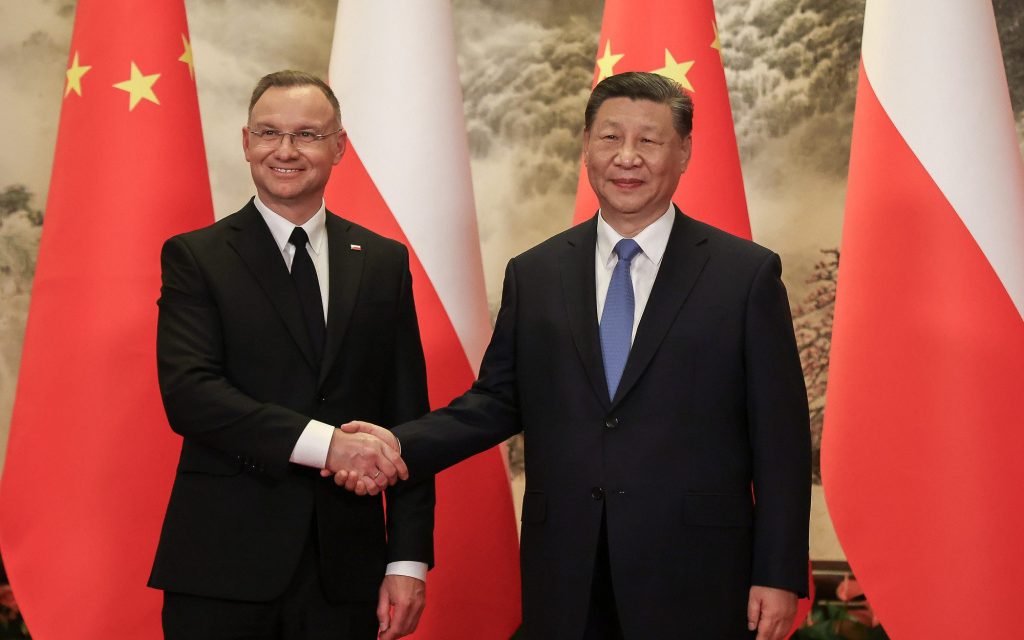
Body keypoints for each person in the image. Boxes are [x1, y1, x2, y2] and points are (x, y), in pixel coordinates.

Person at [335, 71, 811, 639]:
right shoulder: (535, 272)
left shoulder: (746, 275)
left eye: (649, 141)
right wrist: (396, 445)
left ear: (683, 152)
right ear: (586, 146)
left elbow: (781, 440)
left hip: (697, 573)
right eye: (610, 138)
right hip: (566, 570)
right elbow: (495, 402)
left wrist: (778, 573)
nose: (627, 157)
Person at [149, 70, 434, 640]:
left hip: (346, 572)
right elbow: (191, 396)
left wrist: (407, 561)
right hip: (223, 567)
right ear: (246, 143)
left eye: (306, 134)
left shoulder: (382, 261)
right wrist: (330, 445)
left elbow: (408, 416)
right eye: (269, 133)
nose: (285, 150)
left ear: (339, 147)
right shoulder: (196, 257)